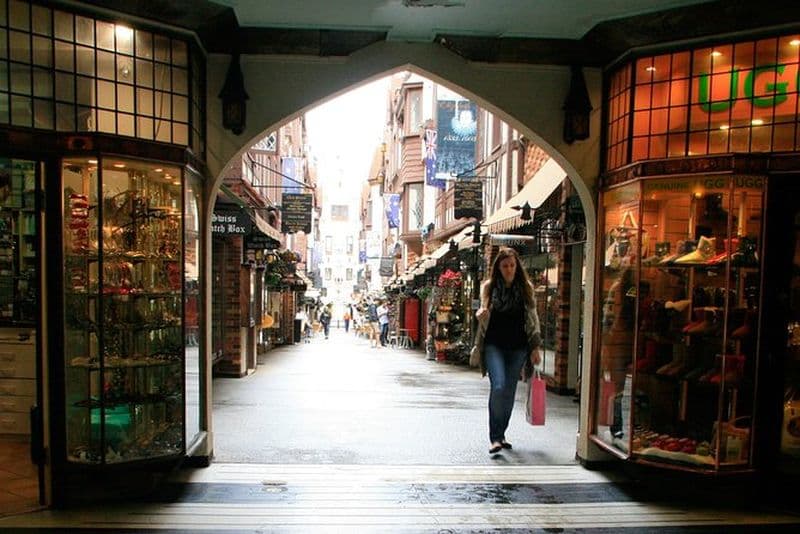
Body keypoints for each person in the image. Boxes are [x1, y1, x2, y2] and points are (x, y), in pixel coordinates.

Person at [474, 246, 542, 455]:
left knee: (510, 391)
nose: (509, 270)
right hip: (494, 344)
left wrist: (535, 346)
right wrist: (481, 315)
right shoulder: (489, 287)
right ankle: (494, 437)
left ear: (517, 266)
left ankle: (501, 434)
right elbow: (481, 311)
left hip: (518, 346)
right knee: (499, 386)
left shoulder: (525, 288)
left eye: (512, 265)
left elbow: (533, 318)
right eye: (505, 266)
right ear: (498, 268)